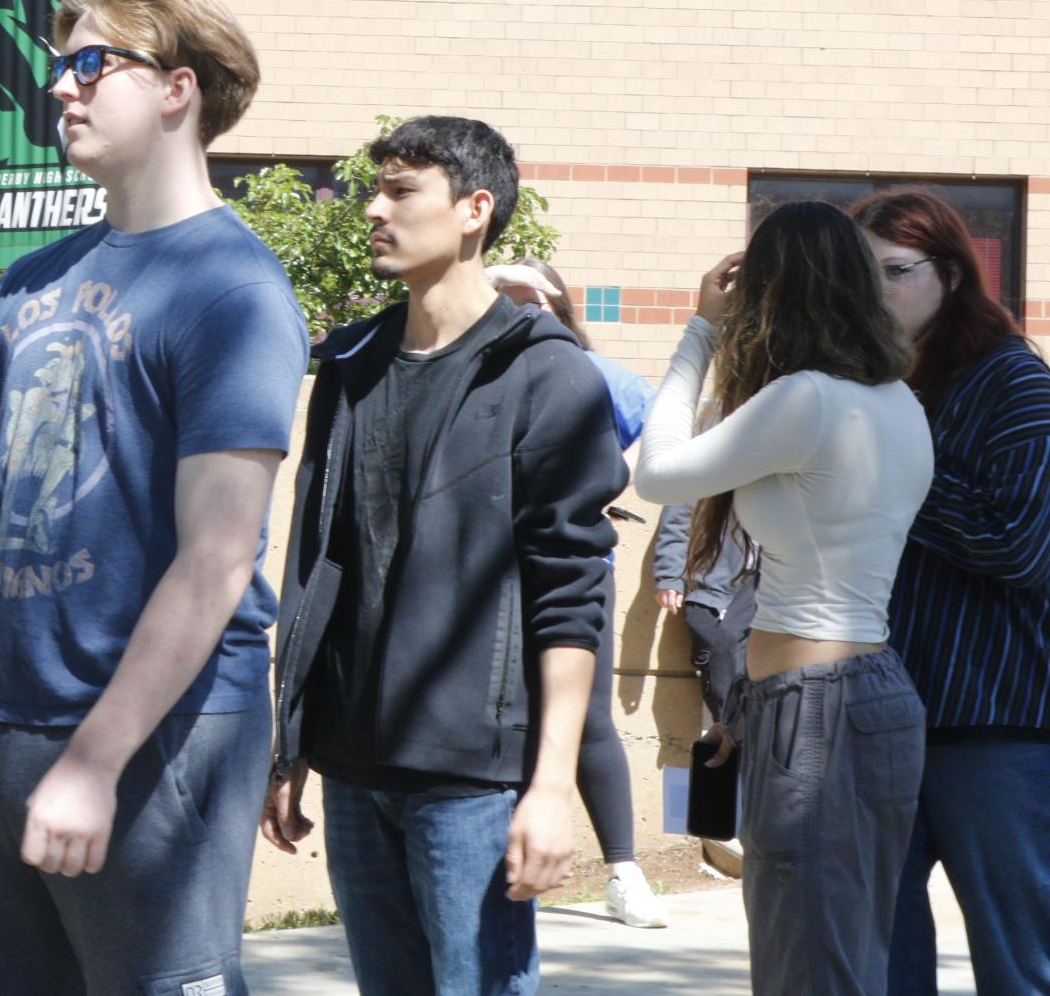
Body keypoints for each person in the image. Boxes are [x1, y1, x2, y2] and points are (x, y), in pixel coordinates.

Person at [0, 0, 309, 994]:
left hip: (157, 735)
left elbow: (216, 560)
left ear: (178, 89)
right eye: (58, 65)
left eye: (91, 62)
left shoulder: (234, 291)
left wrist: (95, 758)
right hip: (1, 728)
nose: (60, 86)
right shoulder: (30, 281)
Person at [265, 117, 626, 996]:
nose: (373, 212)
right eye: (374, 190)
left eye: (399, 191)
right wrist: (291, 742)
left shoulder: (546, 374)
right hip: (354, 766)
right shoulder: (350, 364)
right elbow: (317, 561)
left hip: (473, 779)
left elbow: (571, 594)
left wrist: (548, 788)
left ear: (473, 209)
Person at [635, 201, 933, 995]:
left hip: (816, 711)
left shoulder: (806, 398)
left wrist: (698, 333)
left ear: (769, 290)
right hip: (861, 697)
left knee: (805, 966)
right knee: (847, 957)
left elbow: (657, 472)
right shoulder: (895, 400)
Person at [847, 189, 1050, 996]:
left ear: (953, 274)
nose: (875, 294)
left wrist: (895, 467)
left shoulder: (1015, 382)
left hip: (996, 721)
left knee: (1020, 961)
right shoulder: (879, 389)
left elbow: (1019, 545)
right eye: (859, 277)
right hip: (887, 711)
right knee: (881, 957)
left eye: (893, 272)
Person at [488, 257, 667, 930]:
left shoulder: (590, 374)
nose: (512, 308)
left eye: (525, 297)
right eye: (500, 295)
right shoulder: (477, 367)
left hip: (572, 567)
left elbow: (661, 431)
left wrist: (607, 481)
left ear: (556, 304)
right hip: (488, 574)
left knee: (587, 716)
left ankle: (622, 870)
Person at [651, 500, 756, 736]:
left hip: (773, 595)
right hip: (716, 593)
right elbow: (678, 511)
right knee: (726, 701)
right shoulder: (704, 465)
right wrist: (669, 574)